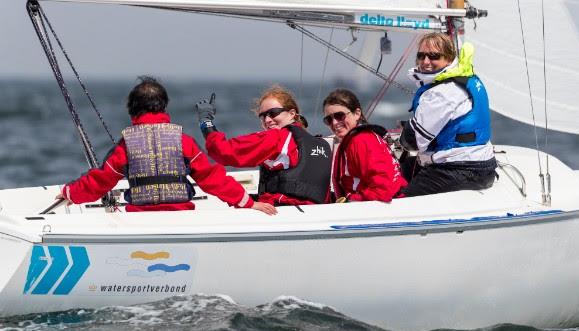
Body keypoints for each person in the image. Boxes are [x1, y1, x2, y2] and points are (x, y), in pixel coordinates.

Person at [57, 76, 276, 215]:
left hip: (140, 218)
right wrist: (247, 203)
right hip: (181, 216)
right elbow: (212, 178)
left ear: (132, 110)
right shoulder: (183, 141)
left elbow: (100, 181)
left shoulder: (126, 145)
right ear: (163, 107)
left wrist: (70, 192)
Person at [196, 85, 331, 206]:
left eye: (273, 113)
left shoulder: (277, 138)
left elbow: (223, 151)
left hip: (284, 209)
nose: (267, 120)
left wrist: (206, 122)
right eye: (263, 116)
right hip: (315, 211)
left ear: (291, 114)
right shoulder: (320, 143)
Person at [398, 33, 497, 196]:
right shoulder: (466, 77)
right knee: (404, 167)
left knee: (402, 199)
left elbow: (413, 141)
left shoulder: (442, 92)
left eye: (434, 56)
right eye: (421, 56)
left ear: (449, 58)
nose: (426, 61)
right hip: (482, 166)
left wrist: (405, 133)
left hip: (459, 170)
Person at [322, 89, 407, 203]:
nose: (334, 123)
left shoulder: (361, 141)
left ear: (357, 113)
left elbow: (383, 189)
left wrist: (351, 201)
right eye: (329, 119)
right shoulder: (356, 139)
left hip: (377, 209)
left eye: (339, 116)